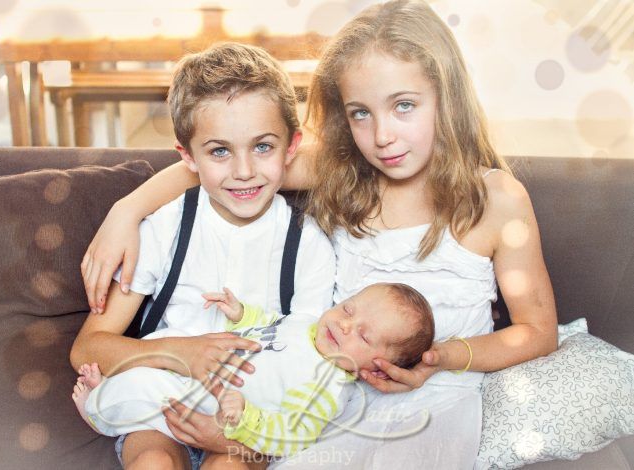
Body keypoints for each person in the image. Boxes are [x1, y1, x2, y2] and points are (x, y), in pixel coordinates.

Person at [80, 1, 558, 468]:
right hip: (332, 402)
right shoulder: (342, 173)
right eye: (360, 114)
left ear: (447, 95)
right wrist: (127, 211)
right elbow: (222, 167)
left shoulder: (497, 200)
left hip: (437, 401)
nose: (383, 135)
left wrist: (442, 357)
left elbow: (537, 332)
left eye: (404, 106)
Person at [70, 42, 338, 470]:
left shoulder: (308, 245)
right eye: (219, 151)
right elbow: (88, 348)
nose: (244, 170)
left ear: (292, 147)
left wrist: (242, 436)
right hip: (159, 416)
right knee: (153, 462)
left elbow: (311, 369)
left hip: (250, 421)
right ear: (187, 156)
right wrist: (180, 353)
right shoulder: (163, 228)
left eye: (263, 147)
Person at [72, 282, 434, 462]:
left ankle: (99, 410)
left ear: (376, 369)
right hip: (201, 379)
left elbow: (295, 434)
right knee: (158, 360)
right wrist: (241, 313)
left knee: (149, 393)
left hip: (220, 418)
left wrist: (245, 421)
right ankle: (110, 395)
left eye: (363, 335)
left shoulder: (327, 385)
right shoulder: (307, 324)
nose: (344, 325)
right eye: (348, 310)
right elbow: (272, 325)